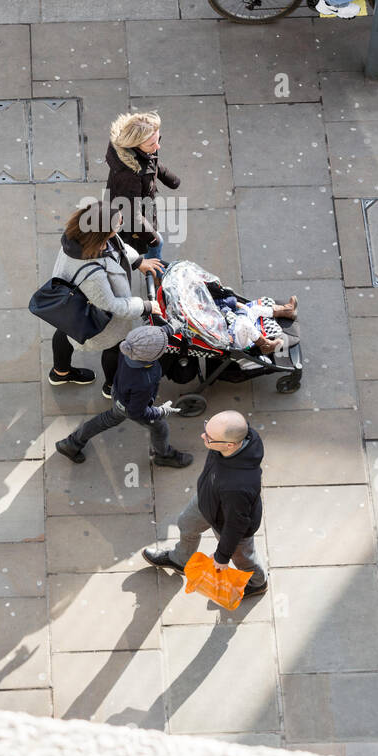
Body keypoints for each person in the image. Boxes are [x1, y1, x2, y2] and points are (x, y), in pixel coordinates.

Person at [142, 410, 268, 598]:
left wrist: (222, 556)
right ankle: (180, 559)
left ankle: (257, 583)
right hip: (208, 498)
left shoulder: (237, 487)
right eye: (206, 429)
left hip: (228, 523)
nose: (203, 436)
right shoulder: (241, 435)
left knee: (242, 558)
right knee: (186, 523)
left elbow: (236, 525)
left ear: (229, 445)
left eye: (209, 437)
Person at [48, 204, 164, 399]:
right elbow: (110, 305)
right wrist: (145, 306)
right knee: (114, 345)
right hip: (92, 311)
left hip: (68, 308)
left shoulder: (79, 237)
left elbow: (117, 247)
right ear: (102, 232)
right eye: (118, 224)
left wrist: (138, 262)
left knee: (64, 332)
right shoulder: (92, 273)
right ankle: (111, 387)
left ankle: (60, 372)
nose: (120, 226)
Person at [55, 326, 192, 468]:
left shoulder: (129, 347)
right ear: (153, 356)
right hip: (129, 405)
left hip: (119, 391)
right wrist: (160, 411)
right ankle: (163, 455)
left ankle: (71, 443)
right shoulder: (144, 380)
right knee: (160, 427)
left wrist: (172, 328)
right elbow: (137, 411)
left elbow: (149, 336)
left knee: (107, 419)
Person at [105, 110, 180, 260]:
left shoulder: (140, 152)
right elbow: (133, 217)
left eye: (158, 139)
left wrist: (169, 178)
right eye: (152, 143)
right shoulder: (129, 175)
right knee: (154, 244)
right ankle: (156, 274)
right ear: (135, 144)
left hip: (141, 206)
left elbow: (150, 162)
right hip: (128, 218)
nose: (157, 146)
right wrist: (153, 239)